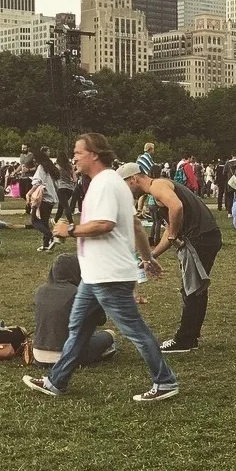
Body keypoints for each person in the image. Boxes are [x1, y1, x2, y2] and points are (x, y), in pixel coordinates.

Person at [22, 133, 179, 402]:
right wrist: (147, 258)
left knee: (136, 331)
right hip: (96, 274)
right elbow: (136, 226)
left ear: (94, 154)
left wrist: (69, 229)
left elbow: (105, 224)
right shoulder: (111, 182)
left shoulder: (105, 183)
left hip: (108, 275)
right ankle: (56, 381)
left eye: (78, 152)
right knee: (78, 327)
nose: (74, 157)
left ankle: (165, 381)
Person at [118, 162, 222, 353]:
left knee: (191, 289)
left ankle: (184, 340)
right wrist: (151, 256)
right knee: (196, 288)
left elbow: (176, 207)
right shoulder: (159, 188)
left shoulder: (157, 185)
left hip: (200, 237)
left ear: (133, 179)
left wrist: (174, 234)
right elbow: (169, 229)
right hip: (206, 236)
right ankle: (191, 337)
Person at [33, 253, 117, 367]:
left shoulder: (40, 291)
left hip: (38, 354)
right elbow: (101, 320)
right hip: (67, 354)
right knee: (109, 334)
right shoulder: (78, 293)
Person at [29, 146, 61, 252]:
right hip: (52, 198)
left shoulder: (41, 168)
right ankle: (46, 244)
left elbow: (37, 181)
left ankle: (51, 236)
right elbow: (57, 184)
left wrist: (30, 193)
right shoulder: (52, 169)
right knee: (44, 221)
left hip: (44, 198)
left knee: (34, 221)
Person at [54, 152, 76, 223]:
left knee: (66, 206)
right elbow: (75, 179)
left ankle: (71, 222)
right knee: (61, 205)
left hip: (61, 188)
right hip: (70, 189)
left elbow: (55, 177)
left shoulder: (57, 166)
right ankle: (56, 220)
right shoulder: (70, 166)